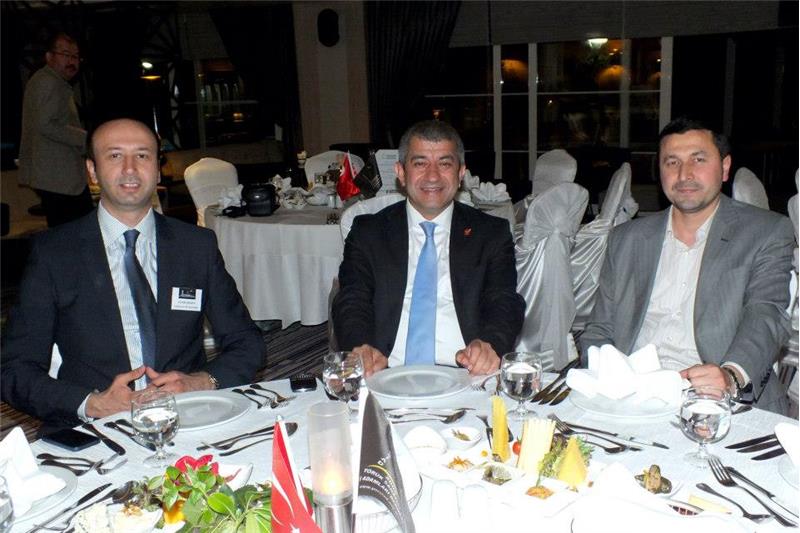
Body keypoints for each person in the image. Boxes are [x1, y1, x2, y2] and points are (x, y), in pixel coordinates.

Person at [2, 117, 265, 430]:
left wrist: (201, 382)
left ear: (158, 169)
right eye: (115, 155)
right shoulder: (55, 253)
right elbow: (13, 369)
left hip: (187, 419)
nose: (130, 168)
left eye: (142, 155)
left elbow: (247, 342)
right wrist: (92, 403)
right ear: (92, 170)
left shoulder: (195, 245)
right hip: (98, 428)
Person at [580, 117, 794, 414]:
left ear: (725, 167)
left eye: (698, 159)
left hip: (717, 399)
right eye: (672, 162)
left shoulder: (766, 232)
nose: (684, 174)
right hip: (633, 396)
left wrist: (731, 376)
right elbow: (599, 329)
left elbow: (766, 314)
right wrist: (604, 377)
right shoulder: (626, 238)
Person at [332, 120, 524, 377]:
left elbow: (504, 300)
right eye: (420, 163)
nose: (432, 176)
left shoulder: (491, 234)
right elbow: (352, 298)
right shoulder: (369, 232)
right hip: (386, 371)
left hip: (465, 373)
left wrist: (491, 344)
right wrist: (361, 346)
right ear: (401, 172)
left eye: (445, 164)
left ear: (461, 173)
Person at [18, 32, 94, 227]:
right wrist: (86, 139)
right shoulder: (49, 82)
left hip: (56, 178)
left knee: (71, 233)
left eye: (75, 56)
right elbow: (46, 124)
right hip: (59, 179)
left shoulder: (48, 81)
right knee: (78, 233)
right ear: (49, 57)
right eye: (65, 54)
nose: (72, 61)